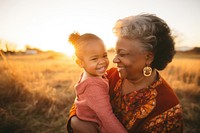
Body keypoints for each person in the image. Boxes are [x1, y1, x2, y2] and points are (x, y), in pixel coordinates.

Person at [67, 13, 183, 133]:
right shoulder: (110, 75)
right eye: (115, 53)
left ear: (148, 57)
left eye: (122, 54)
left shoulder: (167, 107)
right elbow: (83, 102)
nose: (114, 60)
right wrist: (75, 121)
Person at [68, 32, 128, 133]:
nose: (102, 61)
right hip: (97, 126)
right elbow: (106, 117)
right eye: (94, 58)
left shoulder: (90, 74)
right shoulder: (93, 86)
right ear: (80, 63)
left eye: (104, 55)